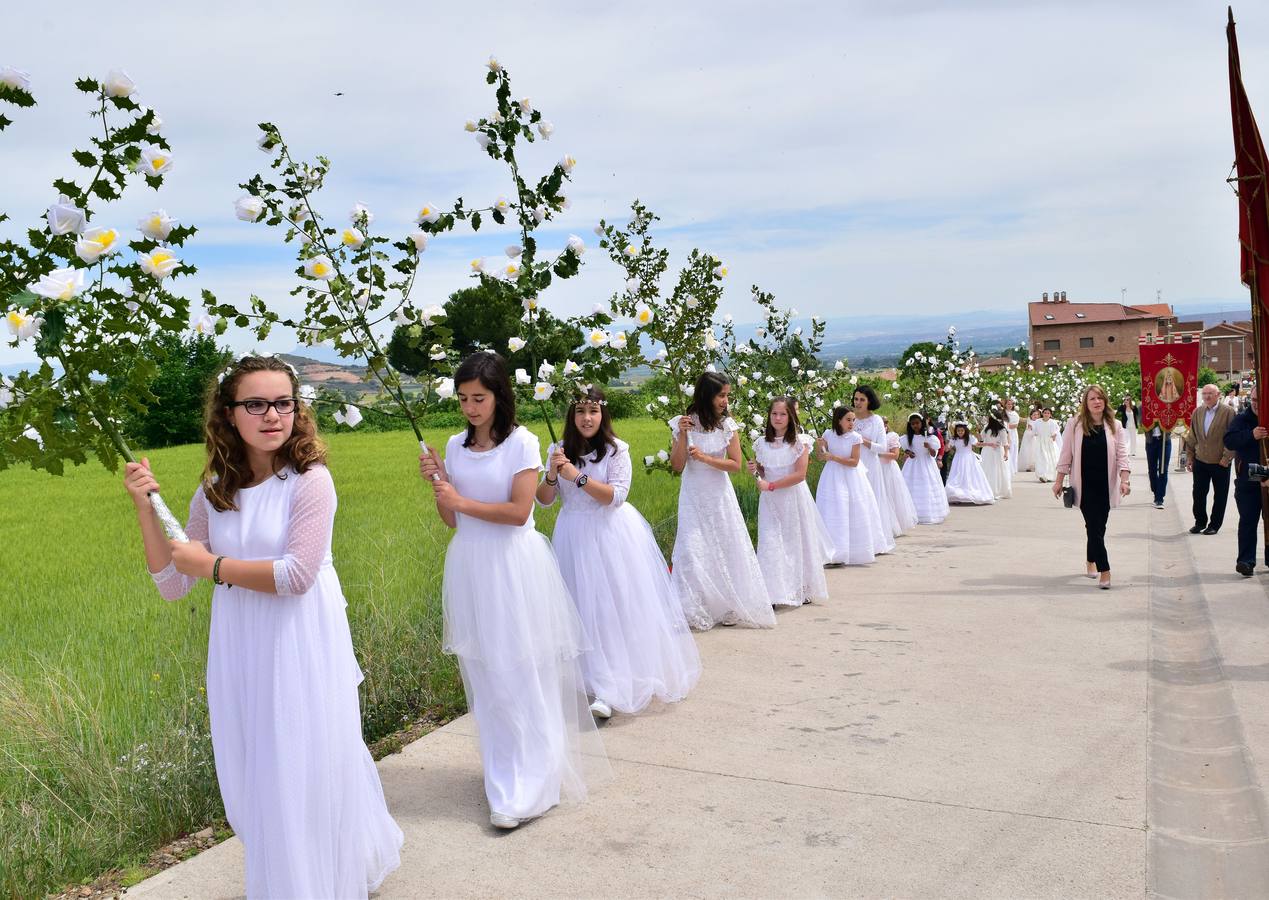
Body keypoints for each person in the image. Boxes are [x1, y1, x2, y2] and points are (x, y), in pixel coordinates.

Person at [125, 354, 403, 896]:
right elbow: (173, 581)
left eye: (283, 403)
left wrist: (215, 567)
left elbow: (297, 574)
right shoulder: (212, 492)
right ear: (229, 414)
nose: (273, 415)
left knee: (301, 765)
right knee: (256, 768)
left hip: (300, 640)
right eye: (256, 404)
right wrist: (144, 508)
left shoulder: (310, 482)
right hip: (241, 644)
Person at [419, 352, 608, 830]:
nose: (470, 407)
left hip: (512, 567)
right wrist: (440, 485)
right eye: (462, 399)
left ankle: (535, 781)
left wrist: (460, 498)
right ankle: (503, 773)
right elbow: (452, 520)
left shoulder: (521, 443)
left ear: (499, 396)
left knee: (521, 669)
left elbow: (519, 512)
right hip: (470, 565)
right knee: (487, 675)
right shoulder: (454, 445)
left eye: (479, 398)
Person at [537, 387, 701, 718]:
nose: (587, 418)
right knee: (583, 608)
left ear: (603, 415)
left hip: (609, 535)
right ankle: (593, 680)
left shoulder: (616, 450)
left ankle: (613, 686)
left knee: (612, 608)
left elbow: (616, 497)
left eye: (593, 411)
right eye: (580, 411)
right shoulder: (559, 449)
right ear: (571, 416)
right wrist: (553, 474)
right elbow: (544, 499)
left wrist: (577, 477)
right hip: (572, 536)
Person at [668, 371, 776, 630]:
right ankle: (694, 608)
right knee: (691, 548)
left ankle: (728, 603)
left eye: (727, 395)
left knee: (724, 545)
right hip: (693, 494)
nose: (725, 401)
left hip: (718, 495)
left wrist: (705, 458)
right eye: (721, 395)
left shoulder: (727, 426)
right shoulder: (683, 423)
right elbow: (677, 465)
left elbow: (735, 465)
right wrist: (682, 435)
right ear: (706, 395)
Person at [747, 396, 834, 606]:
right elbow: (763, 470)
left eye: (782, 414)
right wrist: (755, 471)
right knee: (771, 541)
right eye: (774, 414)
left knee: (795, 541)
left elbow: (800, 475)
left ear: (790, 416)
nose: (777, 418)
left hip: (792, 497)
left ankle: (800, 587)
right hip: (769, 501)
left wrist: (772, 485)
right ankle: (774, 592)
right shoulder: (761, 443)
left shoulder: (800, 442)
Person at [1053, 384, 1132, 590]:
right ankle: (1105, 571)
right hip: (1084, 484)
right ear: (1085, 404)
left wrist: (1125, 480)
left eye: (1099, 398)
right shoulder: (1075, 424)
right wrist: (1059, 480)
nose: (1096, 402)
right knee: (1095, 528)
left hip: (1106, 485)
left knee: (1098, 528)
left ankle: (1090, 560)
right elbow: (1066, 454)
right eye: (1092, 399)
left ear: (1105, 401)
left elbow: (1122, 455)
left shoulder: (1115, 425)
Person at [816, 407, 886, 565]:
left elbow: (854, 462)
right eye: (848, 420)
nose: (852, 423)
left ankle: (852, 551)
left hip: (851, 478)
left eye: (853, 420)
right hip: (831, 477)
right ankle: (831, 551)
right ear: (838, 420)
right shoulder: (828, 434)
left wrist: (833, 457)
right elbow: (821, 456)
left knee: (852, 510)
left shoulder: (855, 437)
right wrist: (819, 446)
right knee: (833, 510)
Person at [1224, 384, 1269, 576]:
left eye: (1261, 400)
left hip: (1268, 478)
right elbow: (1230, 440)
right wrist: (1251, 435)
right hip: (1247, 481)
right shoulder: (1242, 419)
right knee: (1248, 521)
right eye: (1254, 400)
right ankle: (1246, 561)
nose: (1257, 404)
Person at [1184, 384, 1236, 536]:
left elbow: (1231, 437)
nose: (1206, 396)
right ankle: (1200, 522)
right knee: (1198, 493)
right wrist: (1189, 456)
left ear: (1218, 394)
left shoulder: (1228, 412)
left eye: (1210, 394)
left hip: (1220, 462)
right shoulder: (1198, 412)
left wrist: (1227, 457)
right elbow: (1192, 436)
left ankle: (1214, 525)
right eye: (1204, 394)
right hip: (1201, 460)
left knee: (1220, 495)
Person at [850, 385, 897, 554]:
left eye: (862, 399)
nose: (858, 402)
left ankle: (874, 541)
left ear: (869, 401)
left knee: (872, 501)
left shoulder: (876, 420)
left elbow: (882, 446)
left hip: (870, 465)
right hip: (852, 465)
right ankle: (857, 541)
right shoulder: (851, 419)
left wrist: (863, 440)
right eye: (856, 399)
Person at [900, 413, 949, 525]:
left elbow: (933, 454)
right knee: (911, 488)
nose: (915, 425)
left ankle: (926, 513)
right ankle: (911, 513)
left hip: (926, 465)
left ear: (922, 423)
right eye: (912, 424)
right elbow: (906, 450)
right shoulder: (907, 438)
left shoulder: (930, 438)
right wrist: (909, 453)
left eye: (917, 423)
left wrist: (929, 447)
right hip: (912, 466)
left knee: (926, 488)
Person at [875, 415, 919, 536]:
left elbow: (895, 455)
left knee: (891, 494)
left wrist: (877, 454)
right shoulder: (873, 437)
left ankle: (894, 525)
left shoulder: (892, 436)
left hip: (888, 469)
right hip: (876, 468)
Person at [944, 421, 996, 505]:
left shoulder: (970, 438)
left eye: (962, 431)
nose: (960, 432)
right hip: (958, 459)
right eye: (958, 431)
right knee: (957, 476)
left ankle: (970, 494)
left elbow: (978, 444)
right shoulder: (954, 439)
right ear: (956, 431)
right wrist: (947, 445)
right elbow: (947, 449)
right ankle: (956, 496)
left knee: (970, 475)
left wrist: (989, 444)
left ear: (965, 430)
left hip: (969, 459)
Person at [978, 410, 1012, 500]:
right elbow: (981, 437)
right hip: (987, 450)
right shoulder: (986, 427)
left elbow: (1005, 443)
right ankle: (987, 489)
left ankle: (995, 490)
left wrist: (1006, 453)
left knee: (995, 469)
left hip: (996, 451)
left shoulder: (1002, 429)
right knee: (988, 468)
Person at [1143, 417, 1172, 509]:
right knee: (1152, 470)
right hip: (1151, 442)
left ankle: (1159, 498)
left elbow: (1173, 422)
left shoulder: (1165, 406)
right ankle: (1156, 492)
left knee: (1163, 469)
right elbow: (1142, 423)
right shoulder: (1143, 407)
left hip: (1164, 441)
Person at [1032, 407, 1061, 482]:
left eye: (1048, 413)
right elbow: (1034, 431)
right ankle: (1042, 475)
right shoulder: (1037, 421)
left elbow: (1057, 430)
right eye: (1045, 413)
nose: (1046, 414)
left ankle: (1049, 476)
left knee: (1050, 459)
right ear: (1042, 413)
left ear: (1050, 415)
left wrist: (1054, 434)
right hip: (1041, 443)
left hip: (1049, 443)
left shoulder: (1053, 422)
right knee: (1041, 458)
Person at [1017, 408, 1040, 473]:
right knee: (1029, 451)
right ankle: (1028, 466)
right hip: (1030, 437)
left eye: (1037, 414)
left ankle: (1035, 465)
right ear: (1031, 415)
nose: (1035, 416)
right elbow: (1029, 430)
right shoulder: (1030, 421)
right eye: (1034, 415)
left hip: (1036, 437)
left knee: (1035, 450)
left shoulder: (1039, 421)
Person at [1003, 397, 1021, 475]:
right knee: (1006, 448)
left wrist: (1007, 425)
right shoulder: (1003, 413)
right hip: (1004, 432)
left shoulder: (1015, 414)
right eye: (1008, 404)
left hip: (1013, 433)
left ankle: (1013, 468)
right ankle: (1006, 467)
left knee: (1013, 449)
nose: (1010, 405)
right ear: (1005, 405)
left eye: (1011, 404)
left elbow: (1015, 425)